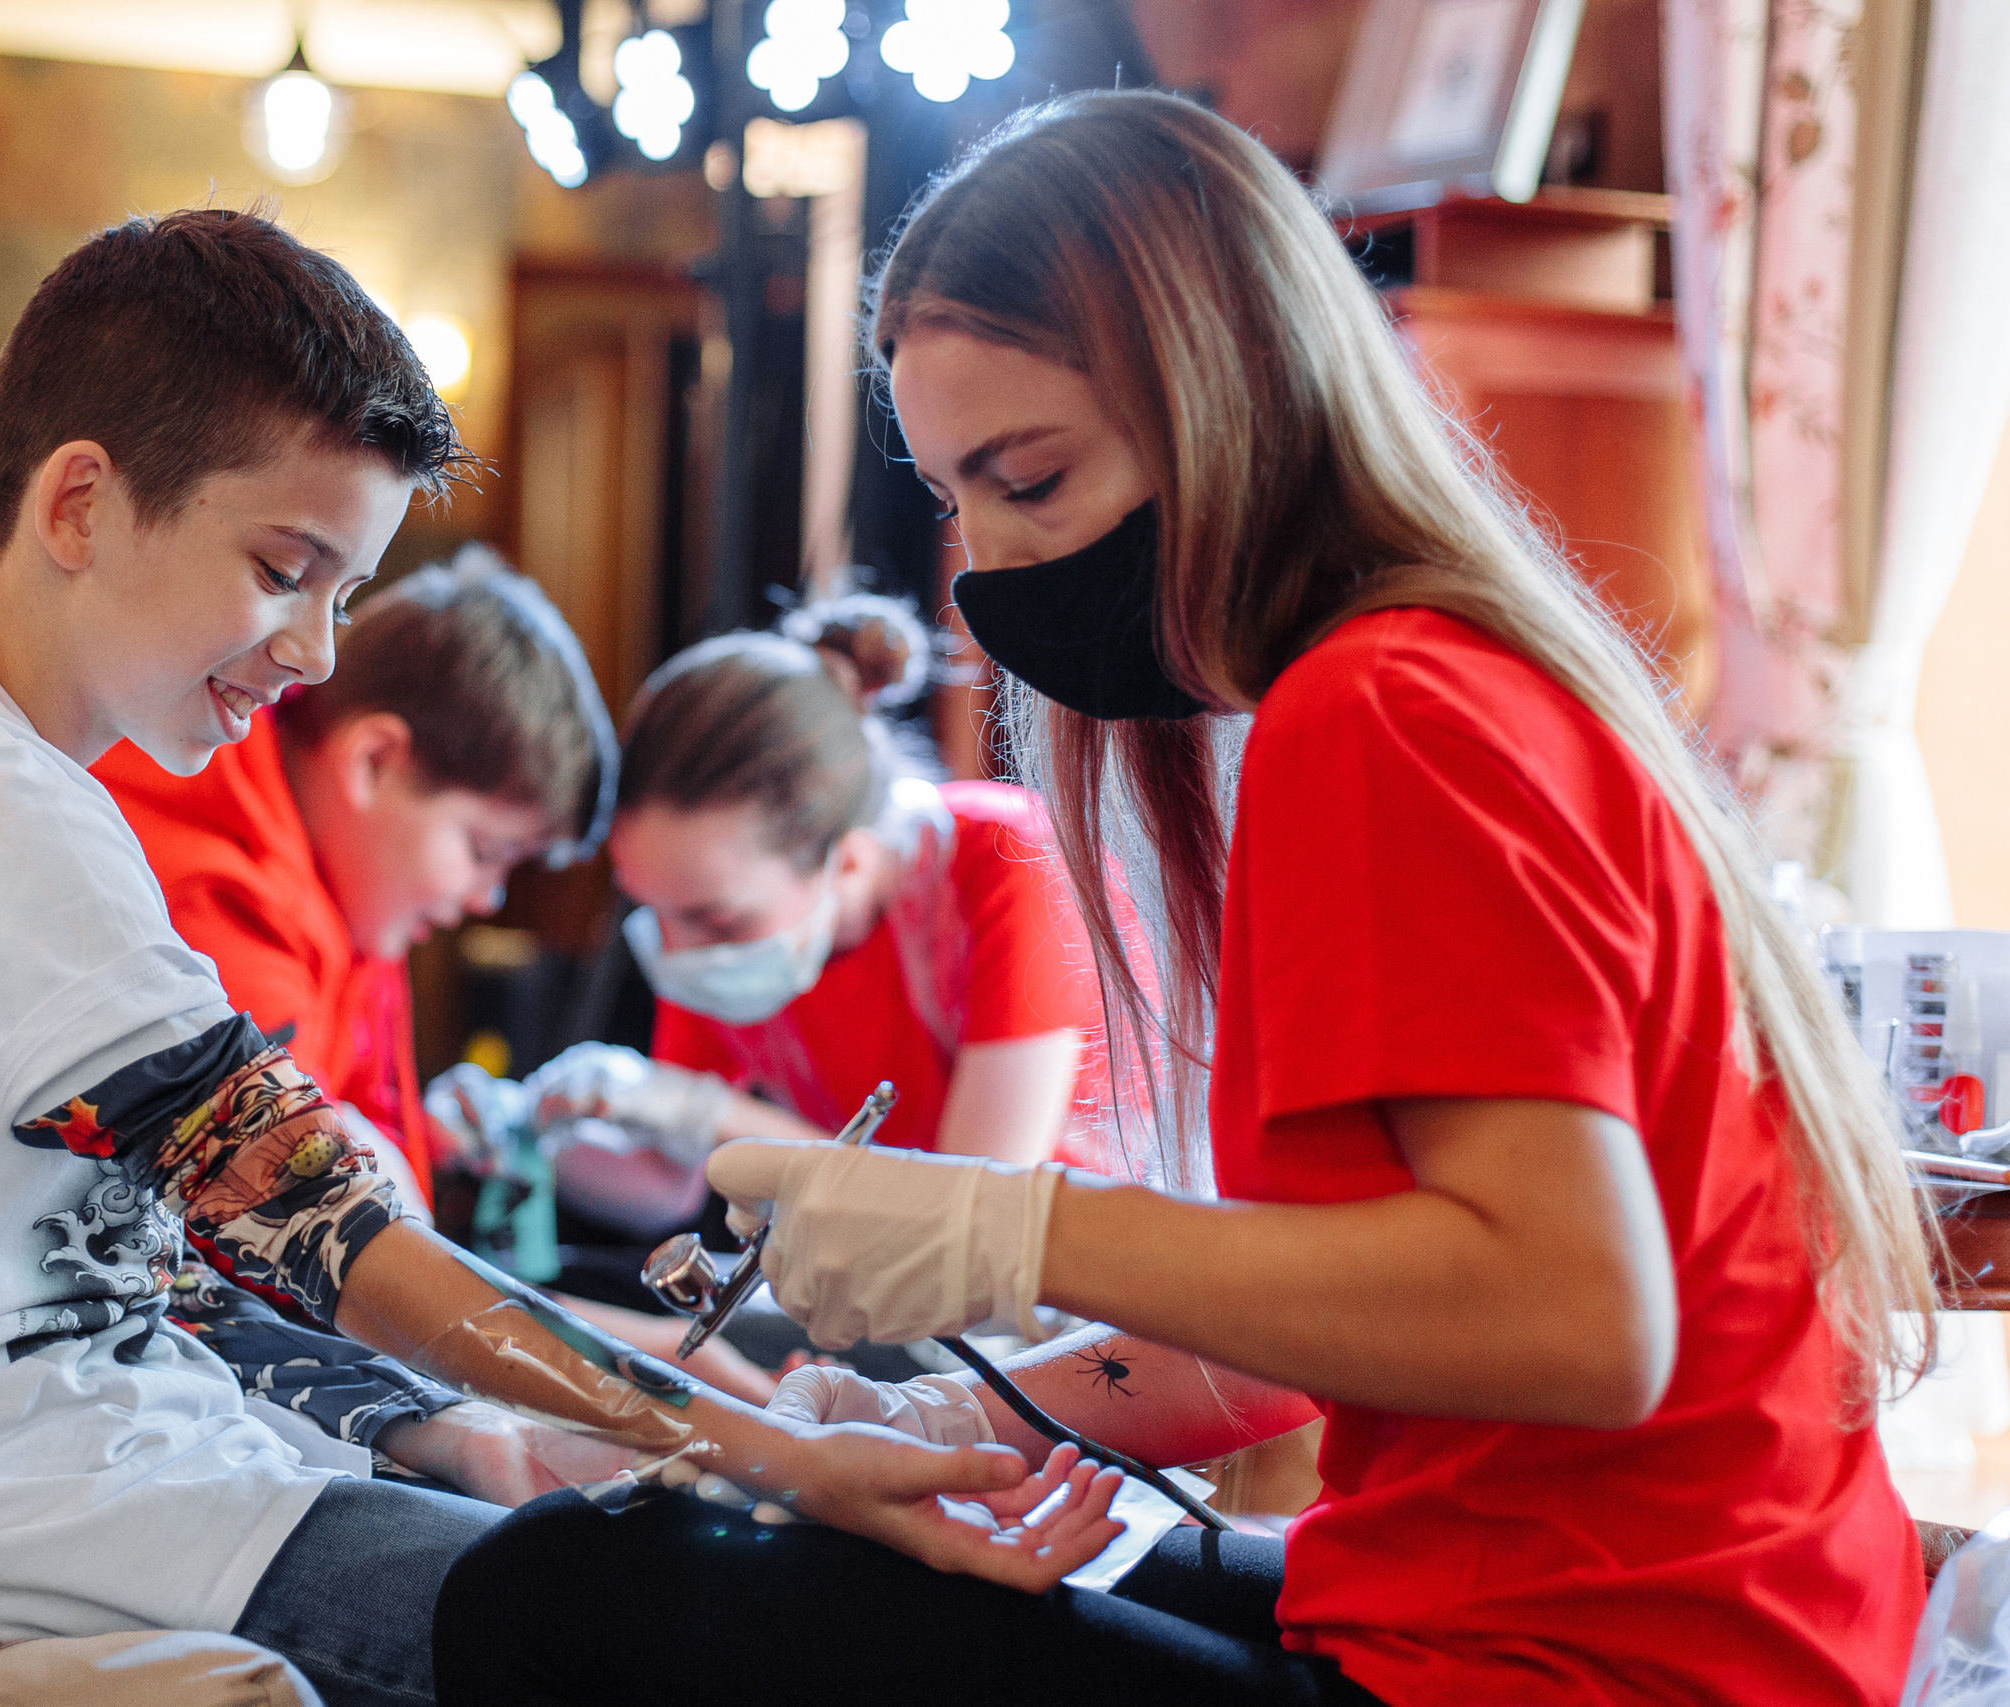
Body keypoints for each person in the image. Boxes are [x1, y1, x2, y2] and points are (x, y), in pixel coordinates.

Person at [434, 91, 1934, 1707]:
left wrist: (1017, 1234)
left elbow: (1576, 1317)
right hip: (1660, 1614)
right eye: (960, 502)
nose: (986, 569)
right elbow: (1343, 1307)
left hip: (1601, 1665)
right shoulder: (1413, 690)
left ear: (1223, 398)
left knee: (569, 1590)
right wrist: (976, 1413)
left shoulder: (1383, 715)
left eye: (1033, 478)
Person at [0, 208, 1121, 1707]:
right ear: (77, 503)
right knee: (767, 1615)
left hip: (123, 1476)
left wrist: (486, 1427)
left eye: (340, 593)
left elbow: (206, 1267)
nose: (319, 651)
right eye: (287, 569)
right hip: (17, 1528)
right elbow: (318, 1232)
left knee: (706, 1553)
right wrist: (769, 1444)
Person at [96, 545, 623, 1459]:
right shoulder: (208, 893)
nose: (486, 899)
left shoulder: (341, 883)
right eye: (486, 849)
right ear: (375, 759)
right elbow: (286, 1236)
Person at [518, 593, 1120, 1239]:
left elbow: (974, 1219)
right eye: (653, 909)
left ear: (851, 862)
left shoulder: (1014, 862)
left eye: (715, 920)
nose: (680, 950)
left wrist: (705, 1111)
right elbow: (666, 1188)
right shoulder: (721, 938)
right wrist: (522, 1133)